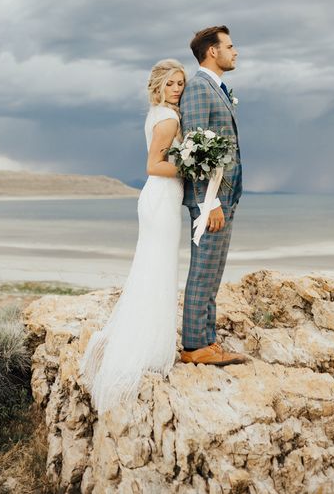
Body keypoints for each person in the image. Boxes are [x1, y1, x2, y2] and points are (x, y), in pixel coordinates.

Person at [79, 59, 186, 415]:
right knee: (158, 269)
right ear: (158, 85)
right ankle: (149, 348)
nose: (177, 89)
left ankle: (150, 340)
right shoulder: (168, 118)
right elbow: (153, 165)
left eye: (181, 83)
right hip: (161, 195)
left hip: (159, 198)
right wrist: (193, 166)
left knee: (153, 267)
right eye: (171, 83)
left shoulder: (157, 113)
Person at [180, 26, 248, 366]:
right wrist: (212, 203)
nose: (235, 52)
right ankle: (194, 346)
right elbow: (194, 149)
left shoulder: (217, 88)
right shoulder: (197, 88)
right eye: (230, 46)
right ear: (212, 51)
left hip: (224, 197)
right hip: (210, 201)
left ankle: (207, 340)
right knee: (203, 270)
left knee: (213, 271)